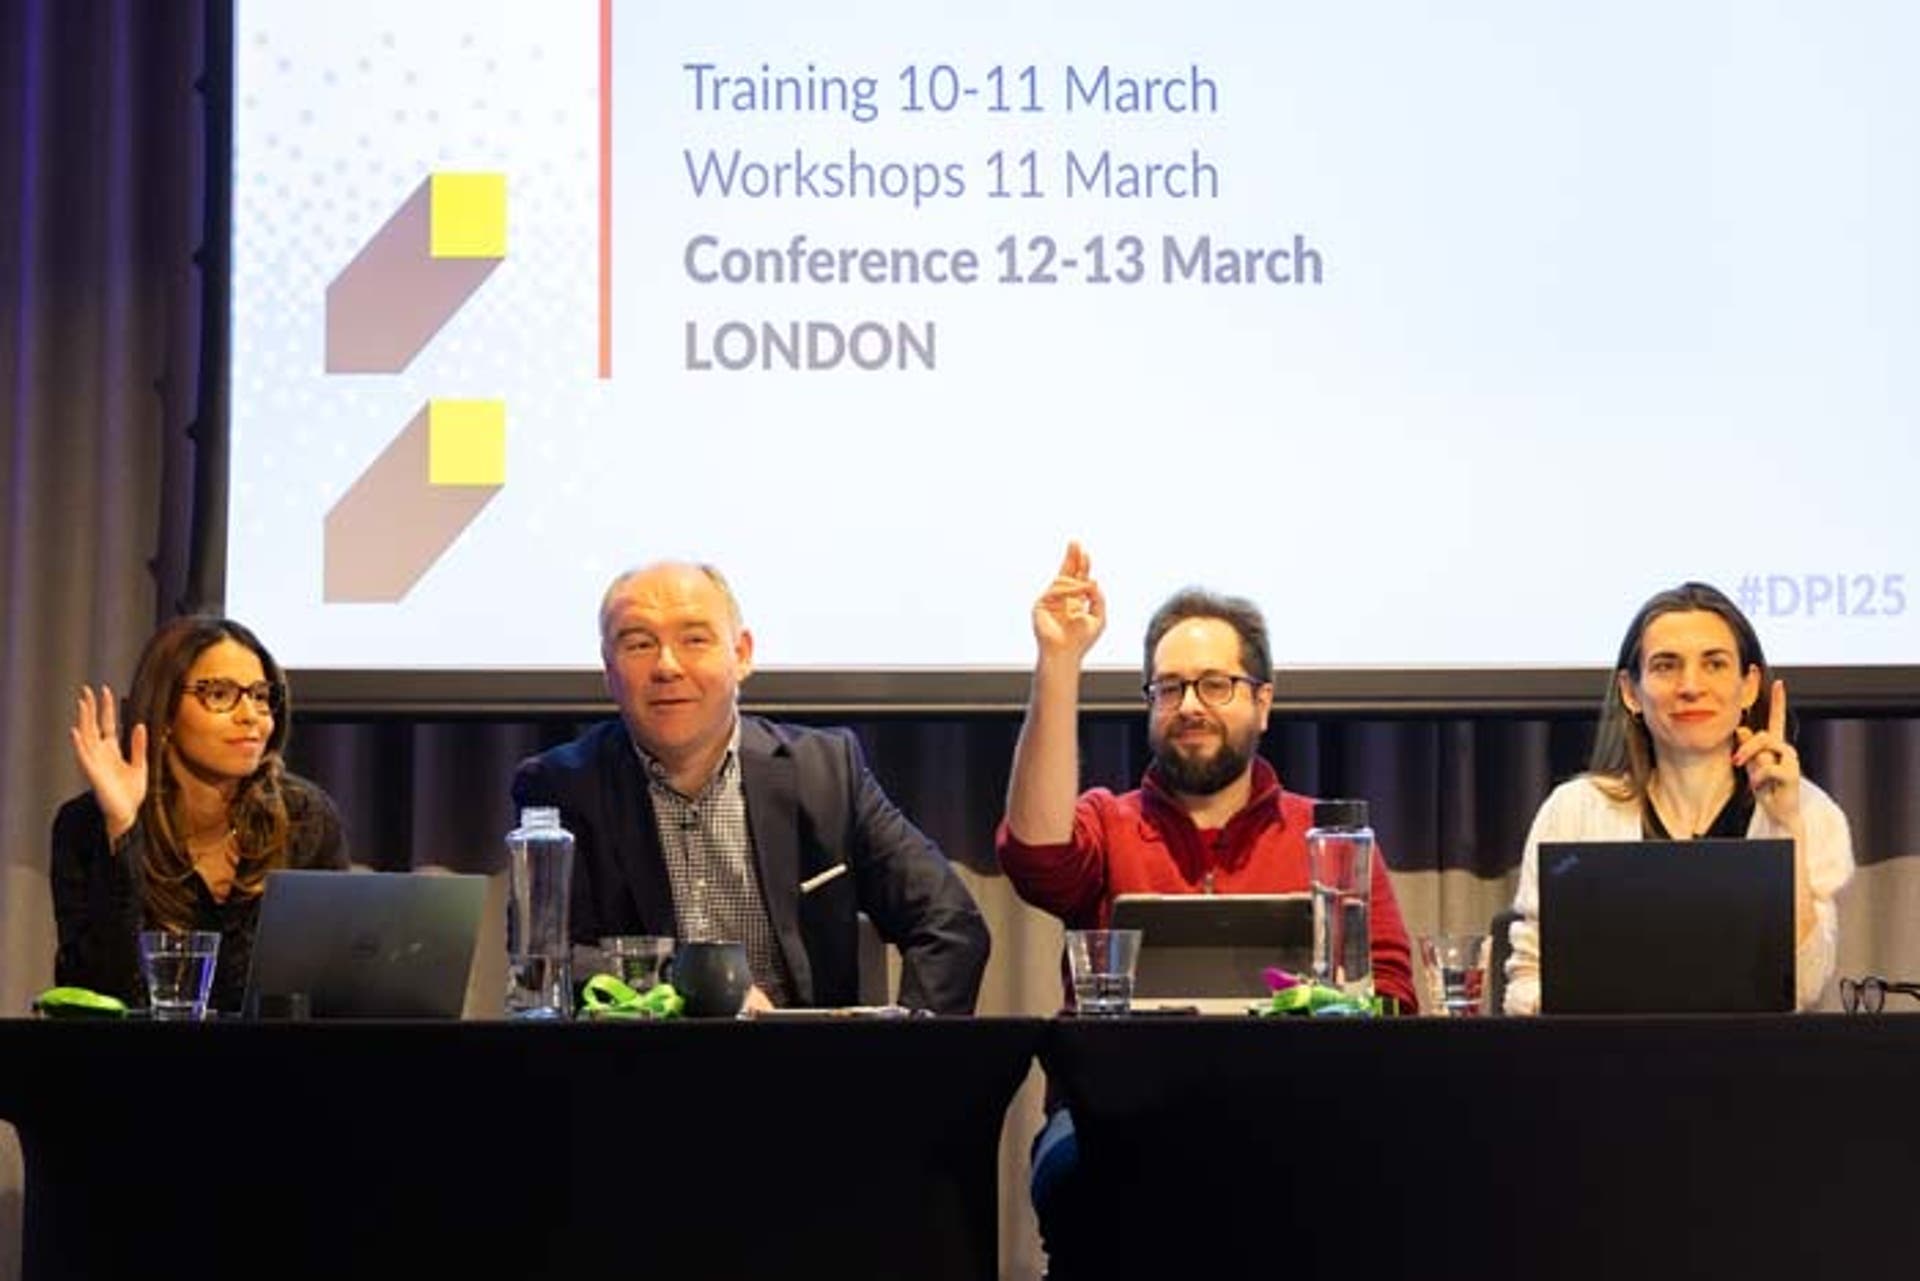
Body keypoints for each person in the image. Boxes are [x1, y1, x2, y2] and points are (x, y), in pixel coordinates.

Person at [510, 561, 989, 1015]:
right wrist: (698, 987)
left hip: (802, 1073)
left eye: (695, 639)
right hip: (641, 1073)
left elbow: (949, 922)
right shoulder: (563, 784)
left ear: (741, 655)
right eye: (638, 645)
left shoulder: (824, 771)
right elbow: (546, 958)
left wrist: (903, 1065)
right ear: (608, 668)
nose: (667, 666)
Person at [997, 542, 1418, 1007]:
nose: (1191, 705)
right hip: (1122, 1078)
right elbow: (1035, 857)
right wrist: (1059, 659)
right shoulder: (1106, 824)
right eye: (1170, 688)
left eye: (1216, 685)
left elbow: (1392, 998)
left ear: (1263, 703)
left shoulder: (1330, 843)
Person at [1503, 581, 1855, 1014]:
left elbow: (1805, 988)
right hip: (1604, 1069)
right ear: (1631, 692)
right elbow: (1526, 982)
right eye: (1666, 666)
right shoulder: (1574, 809)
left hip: (1757, 1071)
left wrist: (1786, 824)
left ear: (1749, 686)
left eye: (1714, 664)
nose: (1690, 686)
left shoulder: (1811, 813)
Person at [52, 616, 348, 1011]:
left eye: (261, 695)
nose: (251, 716)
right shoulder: (85, 825)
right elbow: (101, 997)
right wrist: (122, 829)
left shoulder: (305, 818)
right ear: (166, 713)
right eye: (221, 694)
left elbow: (334, 987)